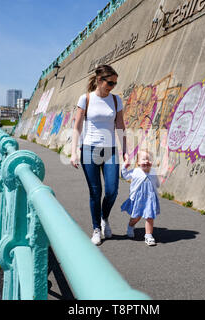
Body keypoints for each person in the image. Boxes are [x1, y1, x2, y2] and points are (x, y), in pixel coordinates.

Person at [70, 64, 127, 245]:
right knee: (95, 192)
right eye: (110, 82)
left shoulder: (116, 100)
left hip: (110, 150)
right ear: (99, 80)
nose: (112, 86)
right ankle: (96, 228)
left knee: (112, 190)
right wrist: (73, 152)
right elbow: (77, 126)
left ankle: (104, 218)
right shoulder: (85, 99)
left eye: (115, 83)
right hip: (89, 149)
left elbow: (120, 126)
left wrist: (125, 150)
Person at [120, 149, 160, 246]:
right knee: (136, 217)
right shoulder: (135, 171)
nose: (146, 161)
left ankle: (148, 235)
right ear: (138, 162)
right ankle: (131, 225)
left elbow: (157, 184)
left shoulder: (153, 172)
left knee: (150, 217)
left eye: (149, 159)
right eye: (143, 159)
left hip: (150, 198)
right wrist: (124, 166)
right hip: (138, 198)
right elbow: (124, 175)